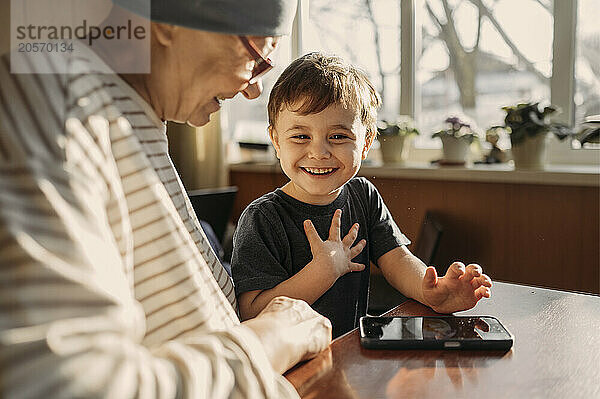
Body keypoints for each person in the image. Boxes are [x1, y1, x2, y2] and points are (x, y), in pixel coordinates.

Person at [0, 1, 332, 398]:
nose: (254, 88)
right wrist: (271, 340)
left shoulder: (131, 112)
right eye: (258, 57)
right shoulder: (51, 99)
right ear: (167, 24)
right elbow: (67, 384)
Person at [231, 53, 493, 337]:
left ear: (366, 143)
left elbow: (397, 260)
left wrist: (431, 291)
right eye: (300, 136)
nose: (319, 152)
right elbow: (251, 312)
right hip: (288, 368)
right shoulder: (262, 218)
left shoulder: (363, 194)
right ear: (276, 141)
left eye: (339, 136)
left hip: (348, 353)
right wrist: (322, 272)